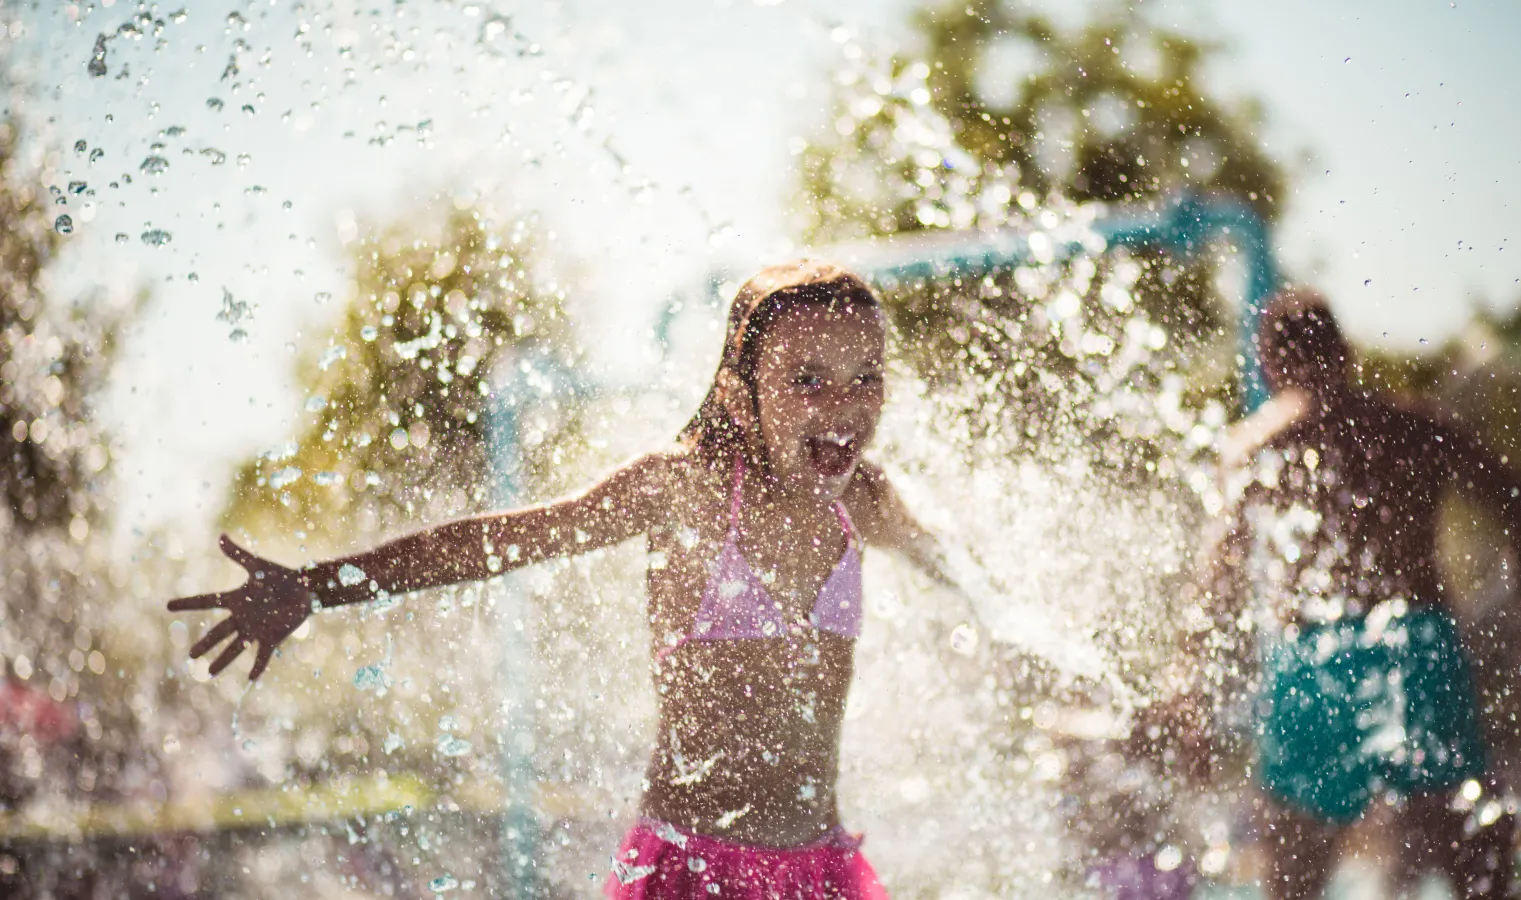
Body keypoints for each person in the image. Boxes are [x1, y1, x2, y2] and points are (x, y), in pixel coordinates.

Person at [168, 260, 970, 899]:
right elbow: (500, 542)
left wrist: (1036, 643)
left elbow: (965, 576)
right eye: (808, 380)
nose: (845, 404)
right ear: (740, 389)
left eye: (868, 377)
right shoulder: (684, 490)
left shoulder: (863, 502)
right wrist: (317, 584)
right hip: (693, 873)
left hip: (820, 875)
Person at [1183, 289, 1521, 900]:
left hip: (1311, 663)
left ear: (1270, 365)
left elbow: (1214, 584)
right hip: (1414, 649)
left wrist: (1189, 693)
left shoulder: (1254, 447)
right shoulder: (1412, 426)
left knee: (1291, 884)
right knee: (1477, 871)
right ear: (1343, 353)